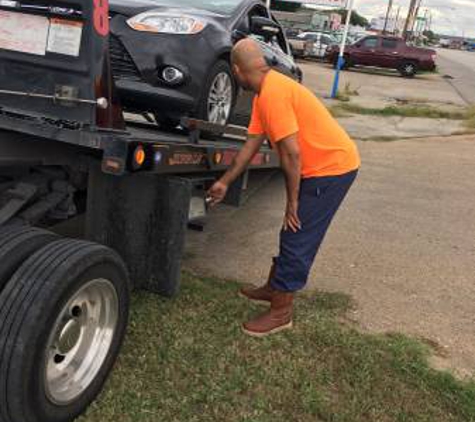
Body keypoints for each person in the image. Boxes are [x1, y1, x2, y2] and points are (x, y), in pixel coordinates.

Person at [207, 38, 360, 337]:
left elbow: (291, 153)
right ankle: (273, 288)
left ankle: (281, 312)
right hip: (318, 167)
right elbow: (249, 148)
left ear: (237, 71)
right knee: (290, 231)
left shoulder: (274, 93)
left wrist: (292, 202)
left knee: (298, 233)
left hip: (332, 168)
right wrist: (224, 182)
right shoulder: (264, 95)